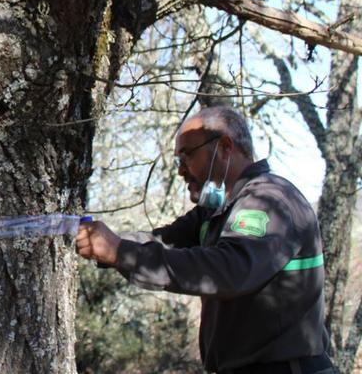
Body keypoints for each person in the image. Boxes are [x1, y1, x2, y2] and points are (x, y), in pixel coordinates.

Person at [76, 105, 336, 374]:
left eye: (187, 155)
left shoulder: (270, 200)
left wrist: (120, 252)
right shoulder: (216, 210)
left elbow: (229, 269)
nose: (180, 170)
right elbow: (164, 241)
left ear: (225, 147)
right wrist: (101, 242)